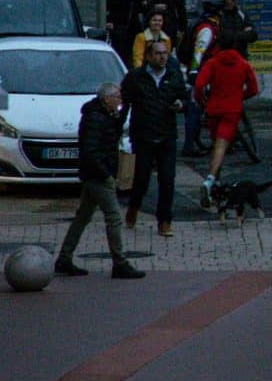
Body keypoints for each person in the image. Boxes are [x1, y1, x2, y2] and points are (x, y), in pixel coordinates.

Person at [54, 81, 141, 279]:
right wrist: (106, 174)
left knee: (83, 217)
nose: (119, 101)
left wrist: (125, 108)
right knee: (114, 217)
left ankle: (65, 257)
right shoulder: (95, 118)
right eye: (117, 98)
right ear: (107, 99)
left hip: (93, 173)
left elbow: (114, 132)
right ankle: (119, 262)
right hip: (97, 175)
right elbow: (91, 150)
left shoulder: (104, 115)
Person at [120, 36, 187, 238]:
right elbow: (125, 103)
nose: (161, 57)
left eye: (164, 53)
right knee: (141, 178)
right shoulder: (135, 78)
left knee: (167, 180)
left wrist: (180, 105)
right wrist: (117, 129)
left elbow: (184, 98)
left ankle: (164, 221)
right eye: (157, 53)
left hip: (166, 135)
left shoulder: (174, 76)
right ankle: (134, 207)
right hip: (143, 135)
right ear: (148, 56)